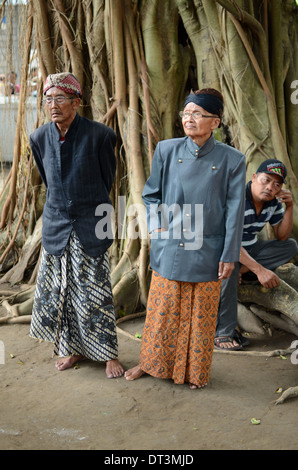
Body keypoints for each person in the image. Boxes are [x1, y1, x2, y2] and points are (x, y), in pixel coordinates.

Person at [125, 88, 246, 389]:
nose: (189, 119)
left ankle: (193, 372)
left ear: (215, 122)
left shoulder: (233, 160)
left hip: (208, 247)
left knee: (200, 316)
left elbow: (234, 212)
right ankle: (150, 363)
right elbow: (151, 194)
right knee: (162, 310)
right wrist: (155, 228)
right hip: (171, 244)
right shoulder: (167, 149)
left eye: (197, 114)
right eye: (186, 113)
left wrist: (229, 255)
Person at [29, 72, 124, 378]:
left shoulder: (101, 135)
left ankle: (108, 354)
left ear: (76, 102)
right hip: (57, 224)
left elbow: (107, 179)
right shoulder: (39, 137)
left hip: (93, 222)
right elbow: (47, 180)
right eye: (48, 99)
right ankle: (73, 350)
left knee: (96, 290)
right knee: (63, 291)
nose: (53, 105)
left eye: (60, 98)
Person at [215, 159, 298, 350]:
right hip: (225, 250)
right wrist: (260, 270)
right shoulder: (236, 198)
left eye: (277, 184)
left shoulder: (273, 203)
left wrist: (290, 207)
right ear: (254, 177)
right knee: (229, 270)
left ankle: (242, 271)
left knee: (291, 246)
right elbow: (230, 241)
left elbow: (282, 236)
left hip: (251, 250)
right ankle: (223, 332)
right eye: (266, 180)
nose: (270, 187)